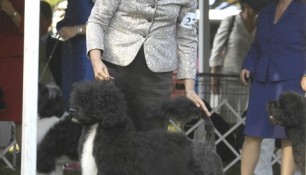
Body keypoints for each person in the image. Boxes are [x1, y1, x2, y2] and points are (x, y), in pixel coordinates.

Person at [86, 0, 210, 131]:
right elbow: (97, 21)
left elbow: (187, 38)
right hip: (114, 70)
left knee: (153, 138)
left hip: (157, 78)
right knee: (109, 133)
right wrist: (96, 61)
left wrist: (189, 89)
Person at [240, 0, 306, 174]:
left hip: (293, 83)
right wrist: (248, 65)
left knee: (288, 137)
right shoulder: (266, 11)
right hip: (262, 81)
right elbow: (257, 46)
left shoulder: (304, 10)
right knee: (252, 135)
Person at [209, 0, 257, 125]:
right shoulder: (230, 21)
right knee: (227, 119)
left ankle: (241, 144)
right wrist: (214, 79)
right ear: (246, 4)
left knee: (247, 120)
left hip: (251, 81)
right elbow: (216, 50)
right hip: (229, 80)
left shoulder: (262, 23)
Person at [56, 0, 94, 101]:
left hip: (88, 54)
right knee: (69, 96)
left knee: (84, 98)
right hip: (70, 53)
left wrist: (77, 29)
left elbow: (107, 24)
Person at [0, 0, 24, 149]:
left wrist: (12, 12)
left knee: (20, 116)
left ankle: (26, 162)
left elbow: (36, 29)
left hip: (15, 63)